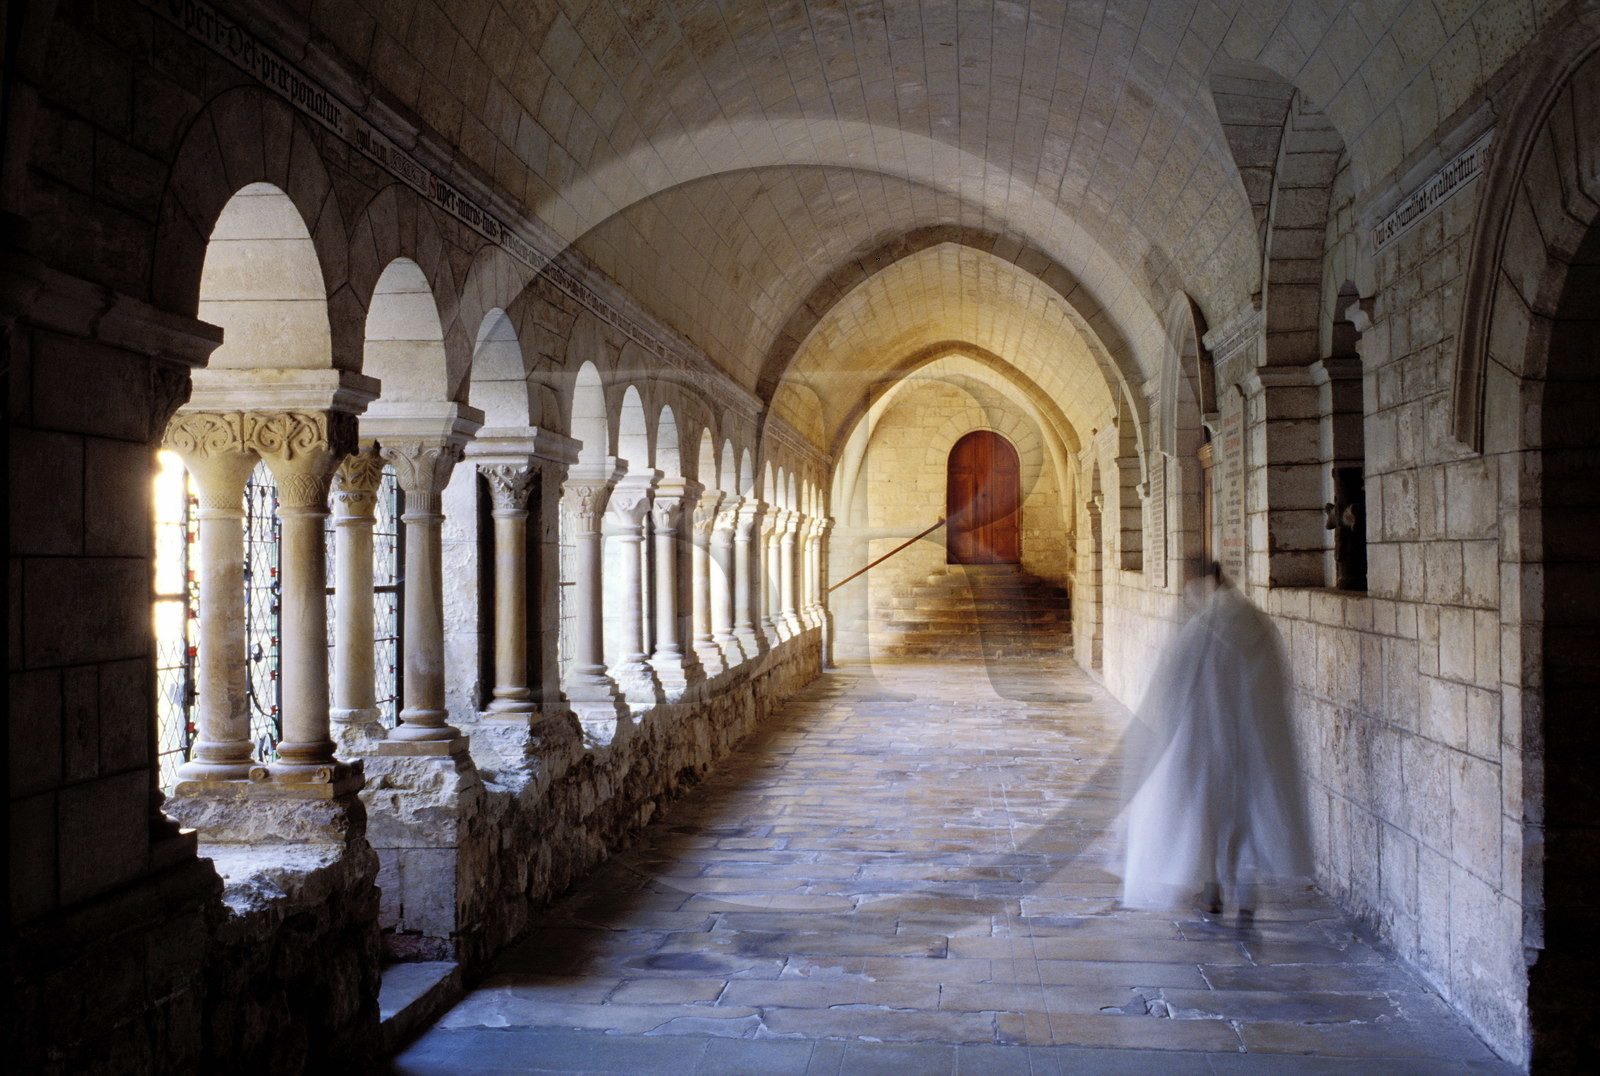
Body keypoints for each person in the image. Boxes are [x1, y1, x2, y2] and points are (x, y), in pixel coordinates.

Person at [1119, 564, 1311, 921]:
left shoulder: (1201, 628)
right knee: (1247, 816)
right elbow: (1274, 685)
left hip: (1206, 743)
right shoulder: (1256, 623)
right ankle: (1246, 895)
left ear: (1202, 580)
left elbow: (1172, 688)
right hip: (1254, 742)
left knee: (1207, 814)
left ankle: (1211, 892)